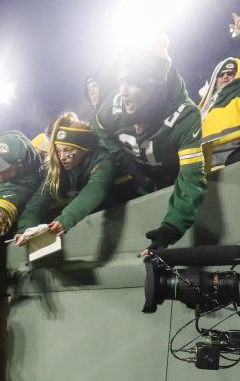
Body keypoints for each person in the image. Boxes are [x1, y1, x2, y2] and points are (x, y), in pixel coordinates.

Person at [93, 46, 206, 254]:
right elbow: (100, 131)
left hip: (171, 178)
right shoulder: (112, 108)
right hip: (139, 177)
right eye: (121, 82)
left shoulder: (185, 116)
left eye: (131, 83)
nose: (122, 92)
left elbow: (191, 179)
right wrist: (127, 164)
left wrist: (171, 227)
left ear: (153, 86)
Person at [14, 113, 127, 244]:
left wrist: (65, 219)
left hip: (112, 213)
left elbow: (94, 190)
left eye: (68, 150)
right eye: (58, 150)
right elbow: (39, 199)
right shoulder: (56, 167)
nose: (62, 157)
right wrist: (24, 228)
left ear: (84, 148)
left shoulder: (103, 160)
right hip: (83, 223)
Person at [196, 13, 240, 118]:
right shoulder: (202, 111)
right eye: (221, 74)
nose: (225, 76)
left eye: (230, 73)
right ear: (214, 83)